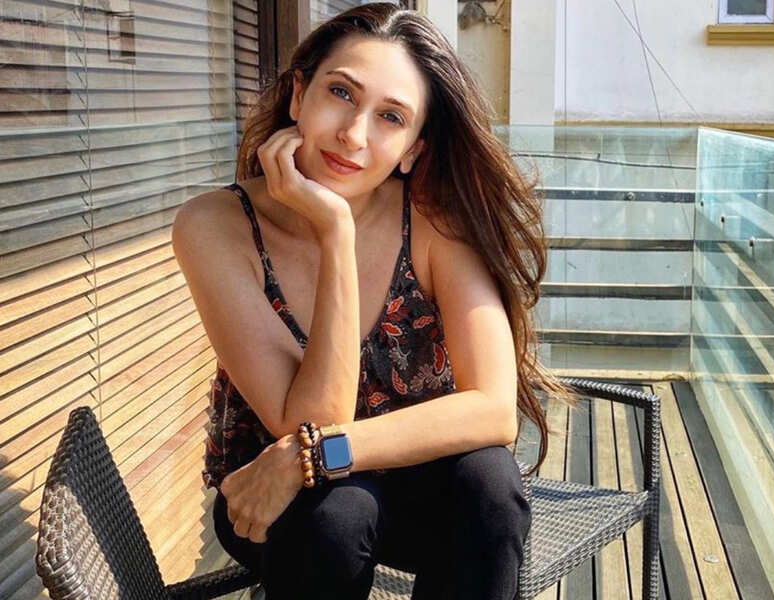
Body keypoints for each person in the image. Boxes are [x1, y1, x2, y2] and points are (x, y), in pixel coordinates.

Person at [171, 3, 571, 599]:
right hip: (278, 501)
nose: (354, 135)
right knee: (338, 514)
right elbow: (306, 420)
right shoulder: (216, 225)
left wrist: (315, 453)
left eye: (390, 117)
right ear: (299, 95)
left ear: (411, 149)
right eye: (341, 93)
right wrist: (336, 232)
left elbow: (493, 409)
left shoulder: (434, 221)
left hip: (410, 482)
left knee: (489, 483)